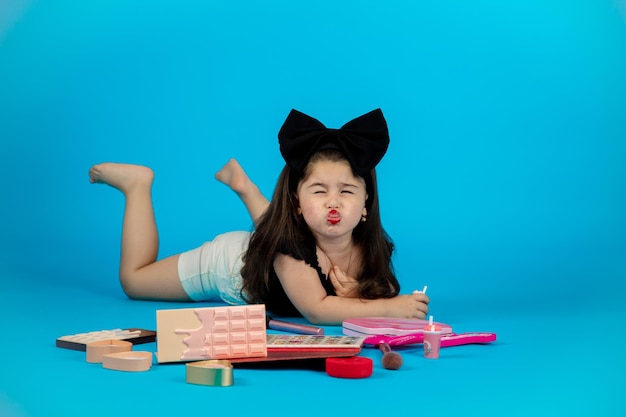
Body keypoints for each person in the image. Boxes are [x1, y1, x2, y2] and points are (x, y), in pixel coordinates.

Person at [88, 109, 429, 325]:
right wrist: (389, 308)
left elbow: (378, 286)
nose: (333, 203)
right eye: (319, 191)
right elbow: (318, 310)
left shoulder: (371, 247)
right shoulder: (290, 250)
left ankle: (244, 187)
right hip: (229, 265)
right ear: (297, 201)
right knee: (134, 281)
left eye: (347, 191)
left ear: (367, 203)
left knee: (278, 229)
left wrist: (360, 293)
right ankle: (136, 186)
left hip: (273, 240)